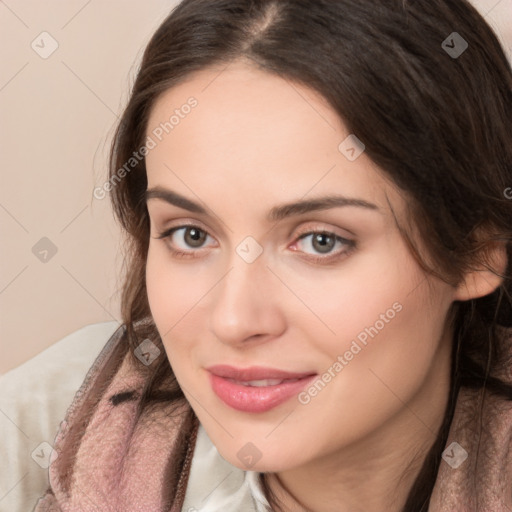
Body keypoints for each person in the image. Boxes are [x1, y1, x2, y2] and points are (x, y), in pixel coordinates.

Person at [30, 0, 512, 510]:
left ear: (475, 251)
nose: (234, 321)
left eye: (320, 241)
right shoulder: (45, 421)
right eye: (191, 235)